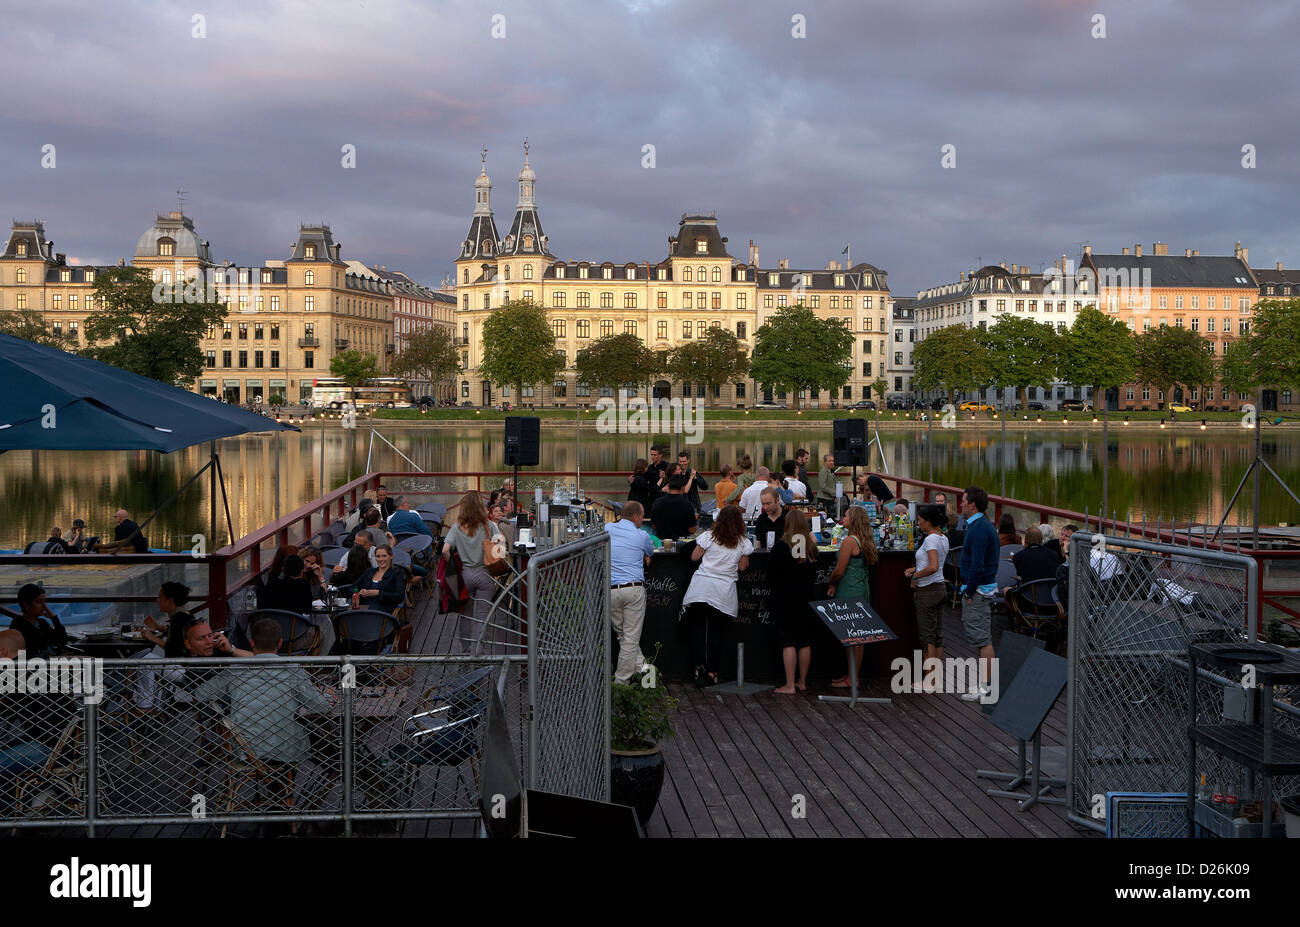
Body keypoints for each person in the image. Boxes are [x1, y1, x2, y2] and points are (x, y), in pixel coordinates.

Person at [192, 618, 331, 835]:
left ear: (252, 643)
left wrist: (229, 701)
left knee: (279, 736)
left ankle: (276, 805)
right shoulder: (292, 669)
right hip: (283, 746)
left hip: (243, 747)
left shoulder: (236, 669)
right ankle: (282, 806)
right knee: (304, 737)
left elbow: (201, 695)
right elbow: (320, 707)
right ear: (280, 643)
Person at [0, 628, 78, 799]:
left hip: (47, 749)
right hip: (68, 745)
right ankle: (35, 796)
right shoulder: (35, 667)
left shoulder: (9, 672)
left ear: (3, 652)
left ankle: (12, 810)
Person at [682, 506, 753, 687]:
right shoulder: (743, 542)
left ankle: (698, 668)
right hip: (723, 592)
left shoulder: (708, 537)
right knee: (717, 633)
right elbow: (743, 567)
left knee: (697, 630)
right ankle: (713, 672)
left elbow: (694, 557)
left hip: (701, 588)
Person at [442, 490, 504, 652]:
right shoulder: (489, 526)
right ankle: (478, 649)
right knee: (482, 615)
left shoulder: (456, 527)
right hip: (484, 573)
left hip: (465, 574)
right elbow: (501, 549)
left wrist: (453, 565)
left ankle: (466, 649)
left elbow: (444, 550)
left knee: (466, 614)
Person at [826, 506, 879, 688]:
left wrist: (831, 582)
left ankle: (853, 678)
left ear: (853, 520)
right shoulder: (864, 539)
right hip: (860, 588)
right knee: (855, 636)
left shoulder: (849, 541)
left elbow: (839, 570)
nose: (843, 518)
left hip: (849, 588)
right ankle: (850, 675)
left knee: (853, 637)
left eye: (846, 516)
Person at [768, 510, 818, 694]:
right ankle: (802, 681)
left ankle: (789, 685)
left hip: (785, 599)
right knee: (805, 641)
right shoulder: (811, 548)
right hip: (807, 598)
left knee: (788, 641)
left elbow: (771, 575)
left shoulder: (781, 548)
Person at [957, 486, 999, 701]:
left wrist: (970, 591)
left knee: (983, 639)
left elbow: (977, 565)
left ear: (972, 504)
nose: (961, 503)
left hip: (979, 591)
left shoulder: (980, 528)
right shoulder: (980, 525)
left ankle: (986, 688)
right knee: (982, 637)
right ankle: (985, 685)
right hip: (981, 588)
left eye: (964, 500)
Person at [606, 501, 655, 683]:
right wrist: (644, 555)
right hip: (633, 590)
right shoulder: (641, 535)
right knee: (631, 639)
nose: (643, 520)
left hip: (611, 591)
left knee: (624, 638)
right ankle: (621, 683)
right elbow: (650, 551)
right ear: (636, 516)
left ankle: (649, 680)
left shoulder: (608, 528)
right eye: (642, 516)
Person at [903, 504, 950, 691]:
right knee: (937, 635)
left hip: (928, 591)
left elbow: (932, 566)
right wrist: (916, 568)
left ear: (928, 522)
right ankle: (936, 679)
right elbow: (934, 564)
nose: (919, 524)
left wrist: (915, 576)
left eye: (921, 521)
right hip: (940, 588)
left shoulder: (930, 539)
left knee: (927, 637)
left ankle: (928, 681)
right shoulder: (942, 538)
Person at [6, 584, 68, 657]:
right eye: (39, 602)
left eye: (44, 602)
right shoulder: (18, 626)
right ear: (27, 604)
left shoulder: (42, 623)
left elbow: (61, 641)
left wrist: (54, 619)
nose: (44, 606)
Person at [141, 581, 196, 651]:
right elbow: (177, 635)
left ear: (170, 600)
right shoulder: (184, 614)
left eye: (160, 597)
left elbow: (174, 649)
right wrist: (158, 627)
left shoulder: (179, 619)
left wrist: (152, 637)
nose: (157, 600)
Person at [352, 545, 407, 615]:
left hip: (382, 612)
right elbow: (352, 587)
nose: (381, 559)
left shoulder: (397, 574)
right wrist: (358, 593)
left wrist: (378, 593)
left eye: (384, 556)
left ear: (391, 556)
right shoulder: (369, 572)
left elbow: (399, 597)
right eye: (378, 556)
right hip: (364, 608)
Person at [650, 475, 697, 542]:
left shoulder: (657, 502)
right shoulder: (687, 504)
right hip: (681, 544)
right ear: (683, 487)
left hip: (662, 543)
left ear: (668, 486)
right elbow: (692, 529)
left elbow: (654, 526)